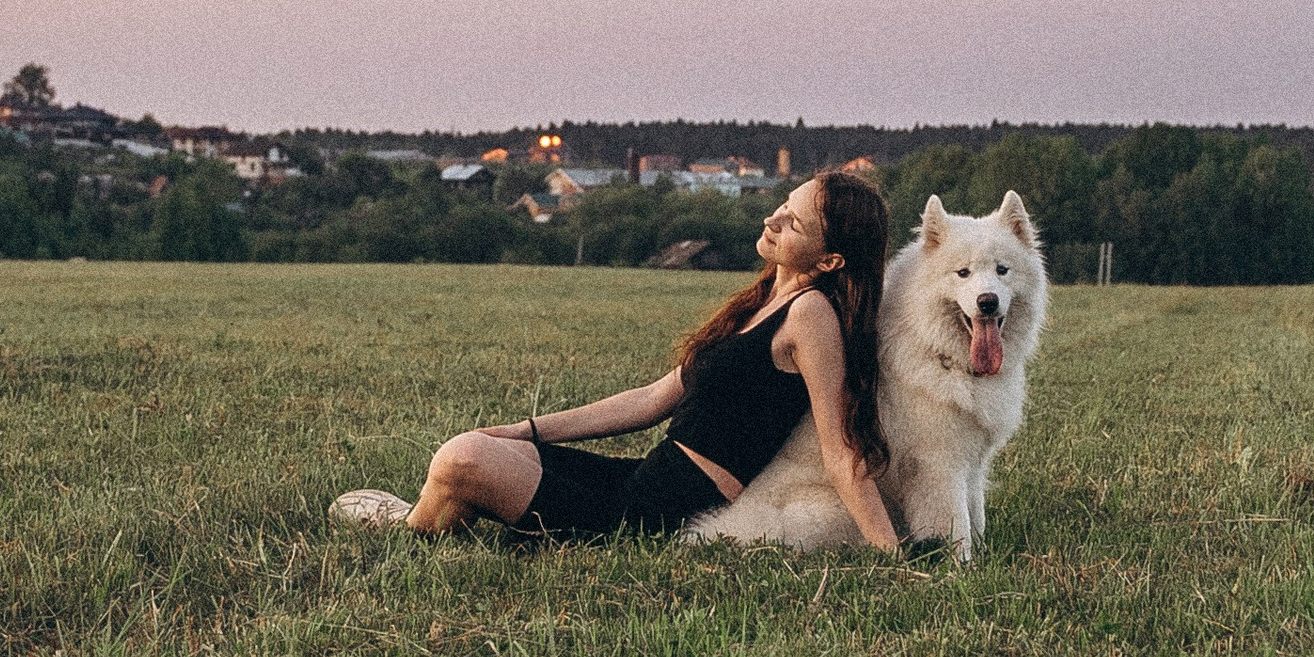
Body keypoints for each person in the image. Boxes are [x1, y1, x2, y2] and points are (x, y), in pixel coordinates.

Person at [334, 168, 903, 551]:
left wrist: (892, 556)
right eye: (781, 206)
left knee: (461, 461)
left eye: (793, 222)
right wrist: (526, 430)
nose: (772, 220)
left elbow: (841, 449)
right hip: (641, 481)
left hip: (655, 517)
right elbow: (650, 401)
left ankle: (406, 529)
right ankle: (424, 518)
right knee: (473, 450)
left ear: (830, 260)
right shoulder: (763, 303)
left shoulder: (810, 317)